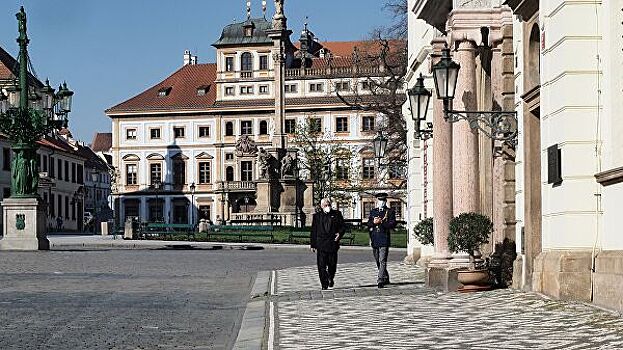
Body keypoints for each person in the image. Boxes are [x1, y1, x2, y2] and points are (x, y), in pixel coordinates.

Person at [310, 198, 346, 290]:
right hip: (321, 244)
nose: (328, 207)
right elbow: (314, 231)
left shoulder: (337, 214)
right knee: (321, 266)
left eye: (329, 205)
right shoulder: (317, 216)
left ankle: (330, 277)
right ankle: (324, 284)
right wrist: (313, 245)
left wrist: (340, 234)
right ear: (322, 206)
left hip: (332, 243)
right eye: (325, 205)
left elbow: (343, 227)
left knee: (332, 265)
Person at [367, 193, 397, 288]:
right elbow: (368, 223)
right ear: (377, 201)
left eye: (383, 200)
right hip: (375, 238)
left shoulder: (390, 211)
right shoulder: (373, 211)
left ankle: (380, 280)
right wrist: (373, 222)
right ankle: (385, 277)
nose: (381, 202)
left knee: (382, 260)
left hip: (384, 238)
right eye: (380, 200)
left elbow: (392, 224)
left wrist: (382, 222)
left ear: (385, 201)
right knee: (377, 260)